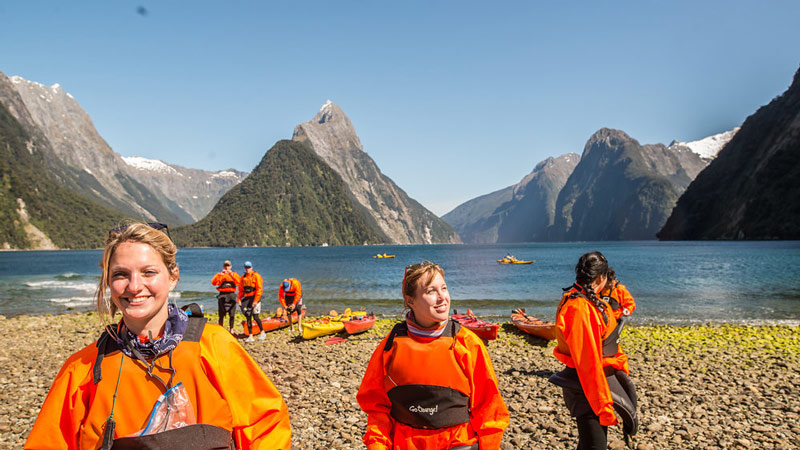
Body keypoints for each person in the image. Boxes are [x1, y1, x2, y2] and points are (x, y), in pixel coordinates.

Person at [24, 222, 291, 450]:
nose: (135, 286)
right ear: (107, 281)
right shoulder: (81, 369)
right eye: (120, 274)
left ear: (173, 276)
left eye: (149, 272)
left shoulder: (215, 346)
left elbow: (267, 423)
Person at [357, 260, 509, 450]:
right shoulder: (391, 346)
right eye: (431, 291)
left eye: (444, 288)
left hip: (458, 445)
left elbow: (489, 407)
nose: (442, 297)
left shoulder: (466, 343)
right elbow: (376, 407)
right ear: (410, 300)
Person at [549, 251, 638, 450]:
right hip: (585, 387)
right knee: (595, 446)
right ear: (600, 278)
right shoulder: (580, 308)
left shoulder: (586, 302)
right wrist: (602, 404)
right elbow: (587, 361)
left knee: (589, 444)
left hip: (593, 382)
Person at [211, 260, 241, 332]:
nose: (226, 267)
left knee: (232, 314)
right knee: (221, 314)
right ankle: (220, 328)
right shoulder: (220, 275)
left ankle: (231, 329)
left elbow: (239, 282)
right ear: (223, 267)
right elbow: (214, 282)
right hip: (222, 295)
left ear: (230, 266)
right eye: (225, 266)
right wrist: (220, 275)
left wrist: (232, 275)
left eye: (228, 266)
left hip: (231, 294)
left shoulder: (234, 274)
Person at [239, 261, 265, 342]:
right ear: (244, 268)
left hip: (254, 298)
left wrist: (255, 301)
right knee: (248, 316)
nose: (247, 269)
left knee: (255, 316)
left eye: (249, 267)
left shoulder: (256, 276)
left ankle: (262, 332)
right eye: (246, 267)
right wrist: (239, 300)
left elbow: (259, 290)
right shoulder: (243, 277)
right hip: (247, 298)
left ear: (252, 267)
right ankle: (250, 336)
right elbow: (241, 290)